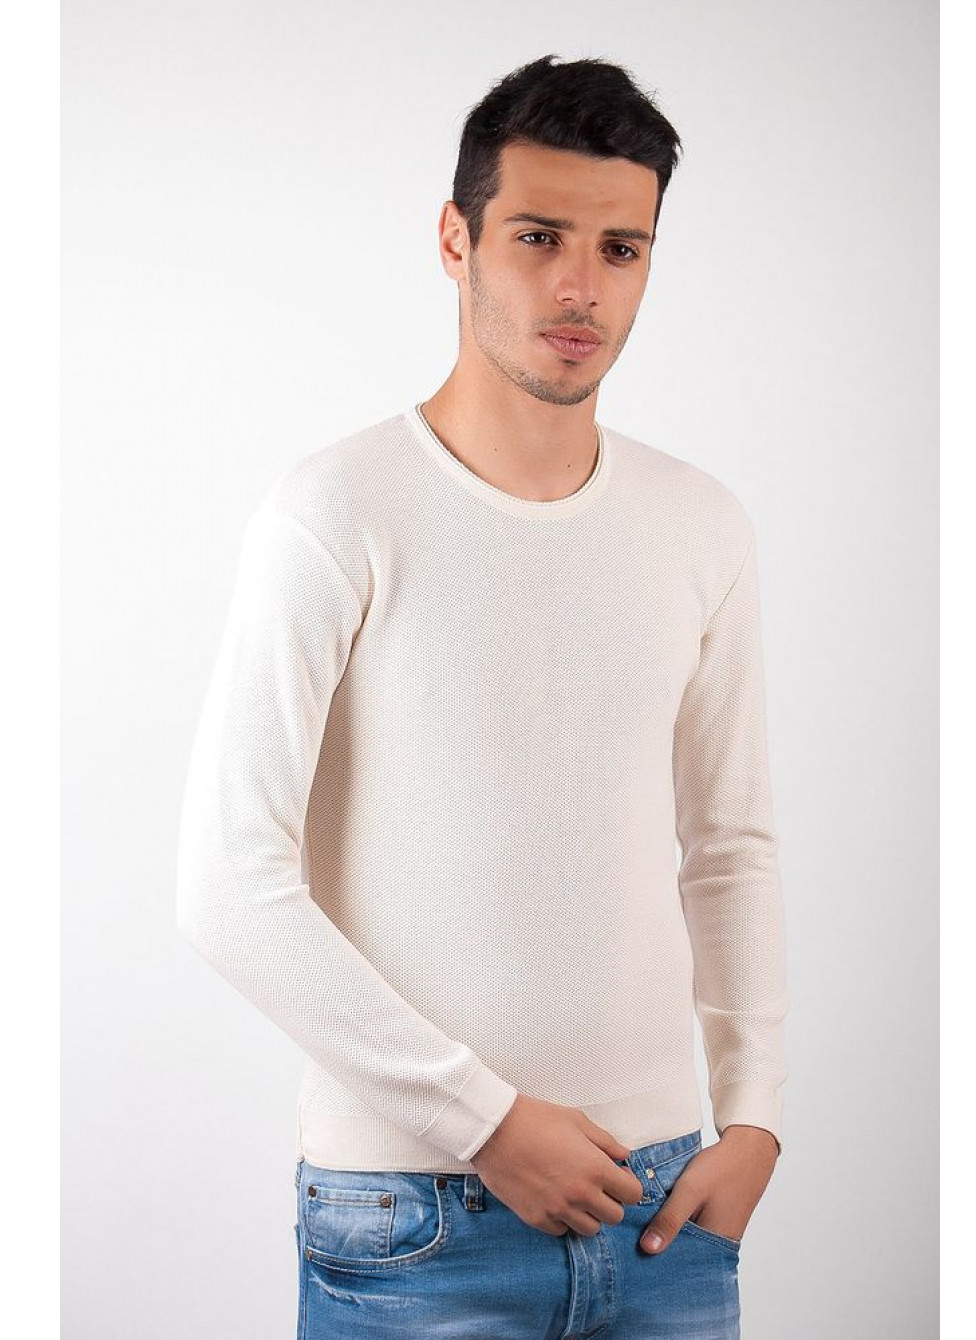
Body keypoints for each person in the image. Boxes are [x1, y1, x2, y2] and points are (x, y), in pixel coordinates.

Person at [176, 51, 789, 1340]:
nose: (581, 287)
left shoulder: (700, 524)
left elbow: (729, 846)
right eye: (539, 237)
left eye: (622, 250)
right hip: (419, 1222)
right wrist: (487, 1122)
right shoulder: (336, 513)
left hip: (664, 1209)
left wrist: (755, 1116)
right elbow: (228, 884)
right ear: (456, 239)